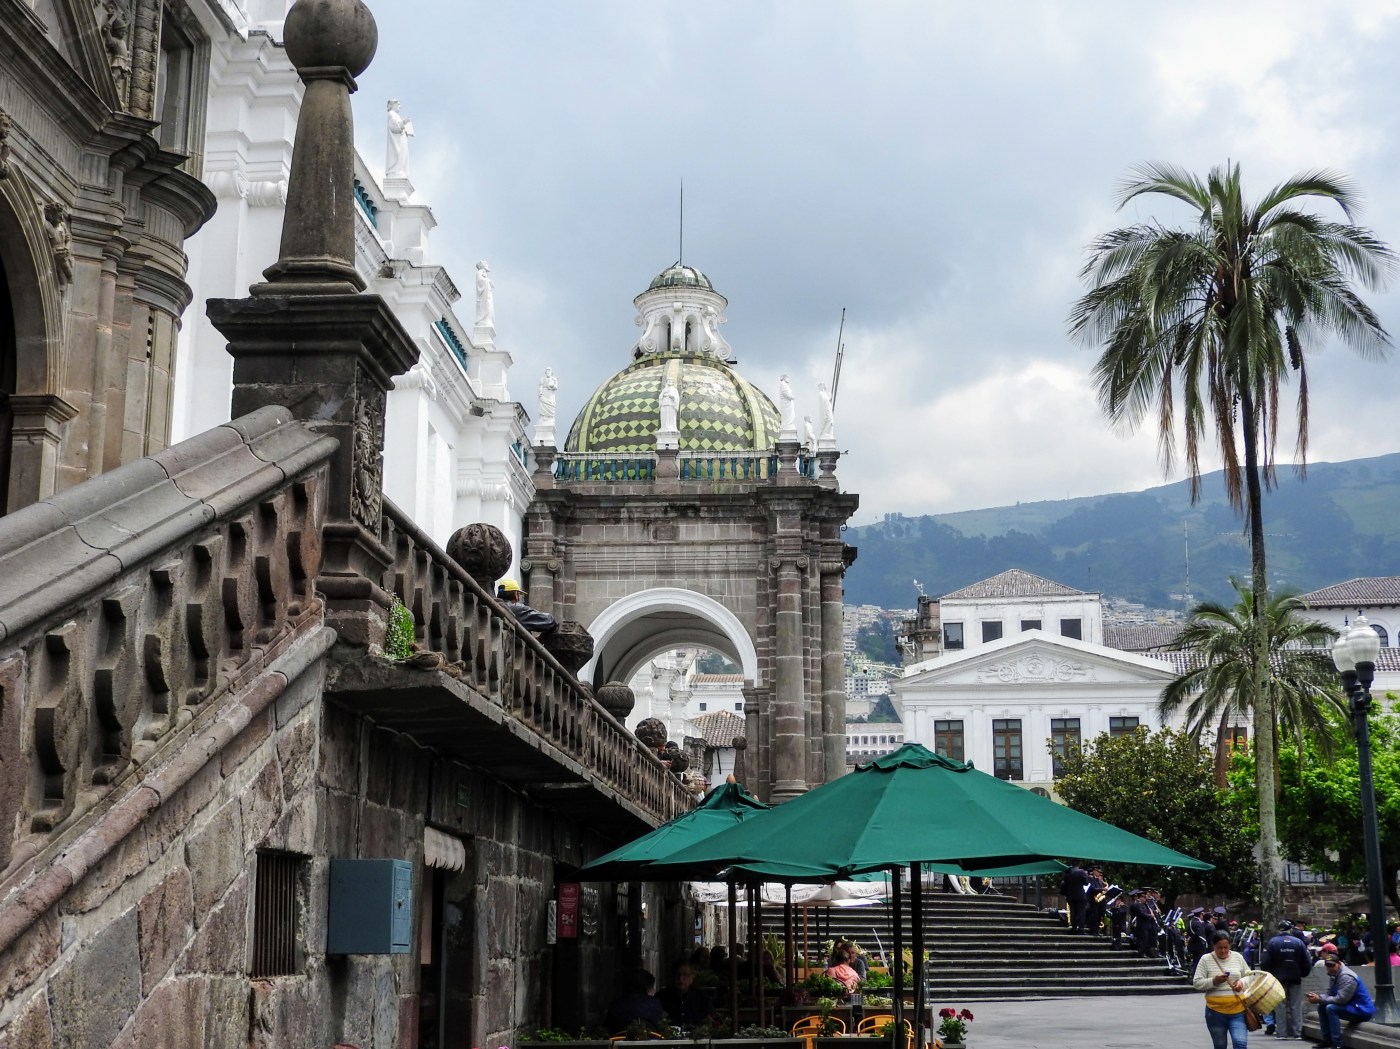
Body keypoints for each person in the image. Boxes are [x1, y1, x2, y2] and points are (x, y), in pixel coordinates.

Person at [1193, 929, 1251, 1049]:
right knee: (1220, 1045)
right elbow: (1197, 983)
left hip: (1238, 1010)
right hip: (1215, 1012)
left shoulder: (1238, 957)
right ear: (1213, 946)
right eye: (1219, 948)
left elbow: (1250, 976)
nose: (1223, 951)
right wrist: (1214, 981)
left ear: (1230, 945)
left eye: (1226, 947)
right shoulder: (1205, 959)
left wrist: (1241, 983)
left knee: (1240, 1043)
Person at [1307, 952, 1375, 1049]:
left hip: (1361, 1010)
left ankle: (1337, 1043)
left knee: (1331, 1008)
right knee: (1322, 1006)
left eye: (1332, 965)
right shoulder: (1334, 975)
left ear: (1339, 964)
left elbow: (1342, 999)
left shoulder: (1347, 977)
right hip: (1350, 1006)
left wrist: (1320, 998)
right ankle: (1327, 1040)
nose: (1330, 968)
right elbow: (1329, 995)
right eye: (1328, 966)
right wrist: (1318, 997)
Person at [1261, 919, 1309, 1039]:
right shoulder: (1298, 942)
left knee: (1280, 1006)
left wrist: (1270, 975)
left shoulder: (1273, 942)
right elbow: (1307, 961)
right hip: (1295, 977)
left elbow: (1265, 962)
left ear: (1279, 930)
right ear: (1290, 929)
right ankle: (1297, 1032)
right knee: (1296, 1005)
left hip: (1278, 978)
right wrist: (1302, 973)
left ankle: (1281, 1033)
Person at [605, 968, 665, 1034]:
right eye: (652, 987)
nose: (654, 990)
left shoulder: (614, 1005)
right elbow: (661, 1027)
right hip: (649, 1039)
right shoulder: (654, 1003)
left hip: (619, 1039)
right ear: (647, 988)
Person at [657, 958, 712, 1028]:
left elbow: (710, 1023)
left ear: (692, 978)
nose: (680, 978)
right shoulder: (662, 997)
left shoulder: (703, 999)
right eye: (678, 974)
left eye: (685, 975)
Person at [1061, 862, 1090, 934]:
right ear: (1078, 864)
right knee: (1081, 913)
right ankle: (1081, 929)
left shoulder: (1066, 873)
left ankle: (1074, 928)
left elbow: (1064, 885)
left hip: (1071, 896)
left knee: (1072, 912)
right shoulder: (1081, 872)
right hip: (1080, 896)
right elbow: (1086, 883)